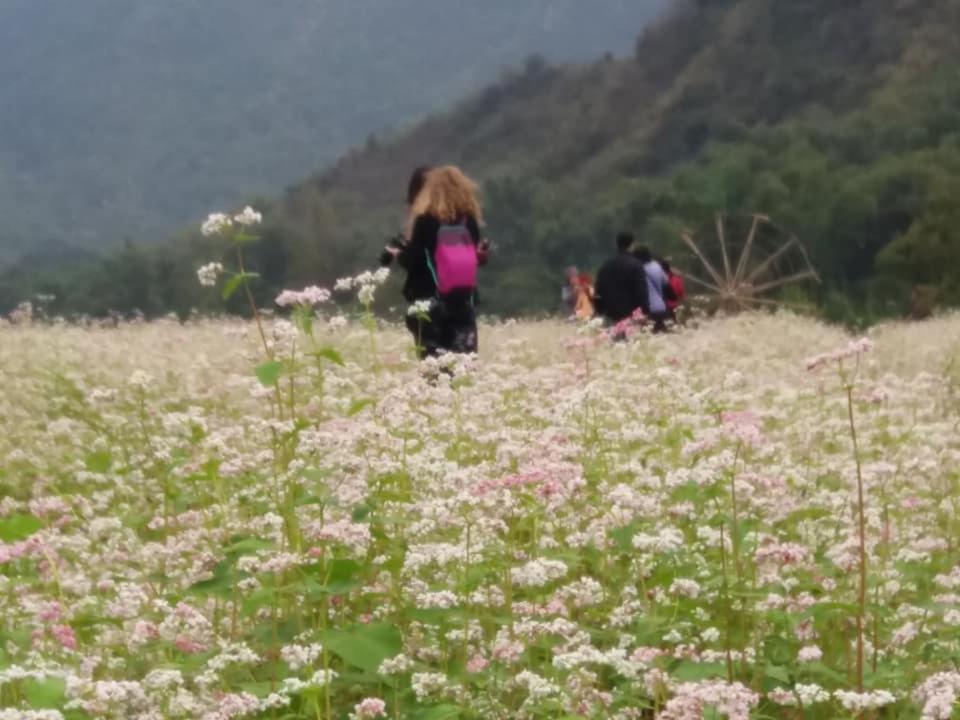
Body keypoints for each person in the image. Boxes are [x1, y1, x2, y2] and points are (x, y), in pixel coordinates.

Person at [383, 165, 489, 359]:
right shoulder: (469, 221)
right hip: (464, 302)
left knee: (434, 371)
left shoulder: (425, 221)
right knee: (464, 367)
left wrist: (398, 254)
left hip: (429, 303)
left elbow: (414, 260)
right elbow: (472, 258)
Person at [593, 233, 649, 332]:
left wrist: (600, 310)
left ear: (617, 244)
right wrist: (644, 312)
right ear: (632, 245)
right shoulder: (636, 265)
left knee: (612, 345)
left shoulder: (606, 265)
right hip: (631, 314)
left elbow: (598, 291)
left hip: (610, 314)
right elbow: (642, 292)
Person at [633, 246, 671, 333]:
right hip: (660, 307)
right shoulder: (657, 266)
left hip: (644, 310)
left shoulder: (636, 269)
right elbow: (665, 282)